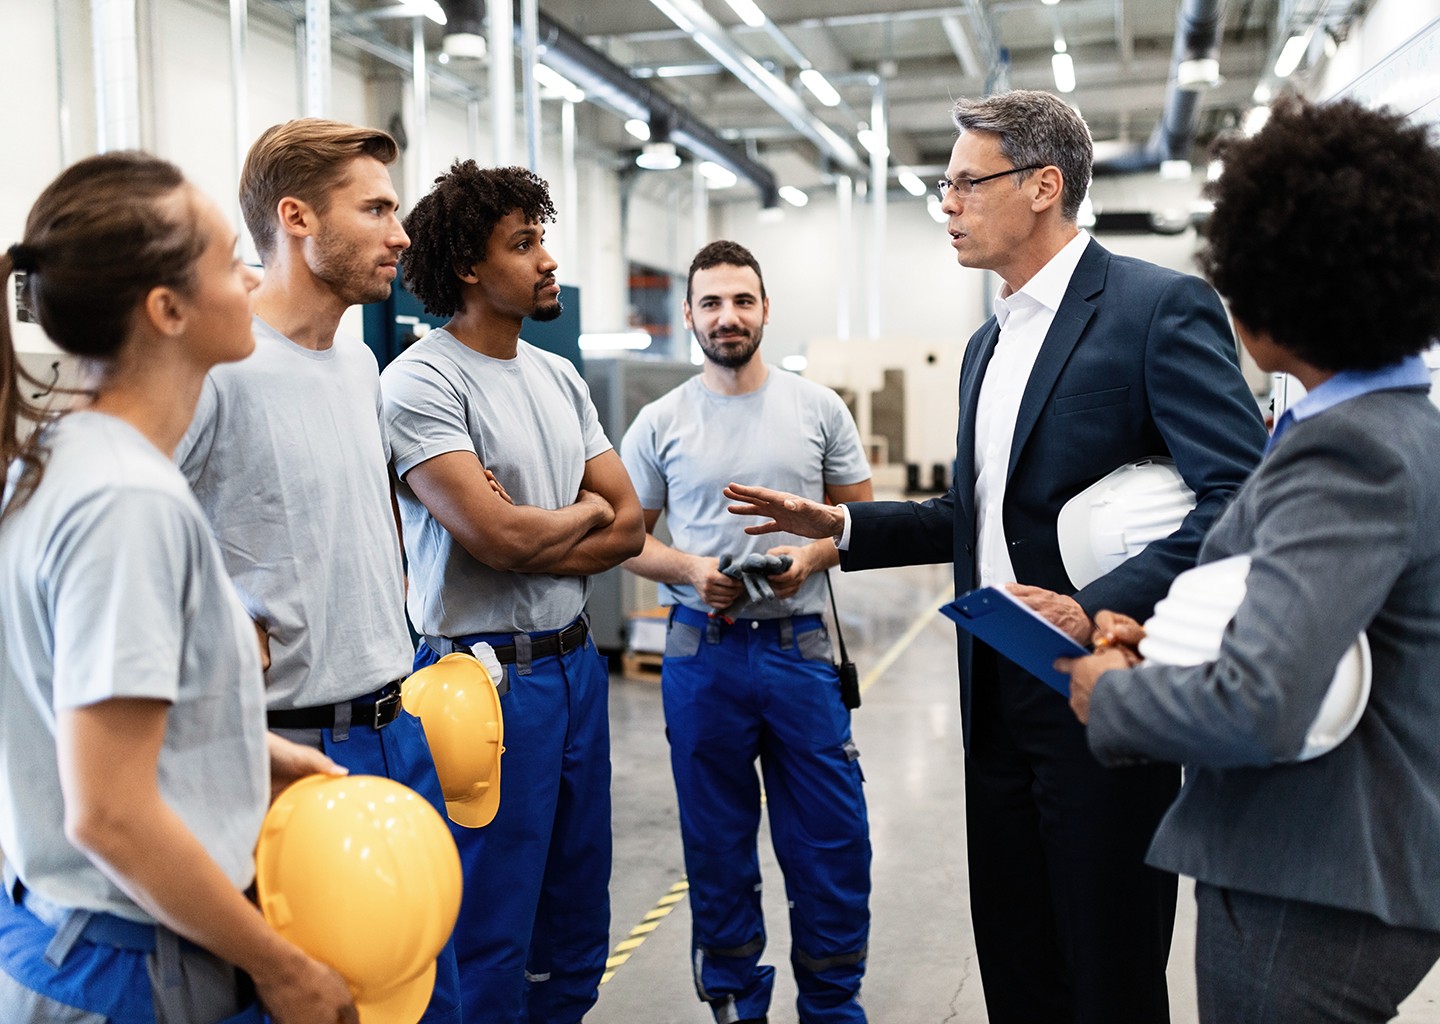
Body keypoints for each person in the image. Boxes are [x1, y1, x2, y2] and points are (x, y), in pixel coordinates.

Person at [724, 88, 1267, 1024]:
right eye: (946, 187)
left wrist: (1099, 601)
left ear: (1045, 185)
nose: (947, 205)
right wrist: (841, 529)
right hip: (993, 686)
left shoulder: (1153, 308)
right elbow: (972, 513)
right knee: (1016, 955)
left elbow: (1243, 500)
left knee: (1107, 962)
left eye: (966, 184)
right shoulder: (985, 344)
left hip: (1103, 678)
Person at [1058, 97, 1440, 1024]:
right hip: (1341, 869)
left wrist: (1112, 694)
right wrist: (1165, 638)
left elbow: (1262, 703)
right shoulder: (1396, 429)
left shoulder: (1351, 451)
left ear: (1277, 283)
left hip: (1310, 880)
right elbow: (1320, 626)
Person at [0, 152, 355, 1023]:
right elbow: (110, 815)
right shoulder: (128, 502)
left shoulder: (58, 460)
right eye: (228, 259)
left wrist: (246, 748)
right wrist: (282, 967)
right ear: (167, 310)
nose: (247, 278)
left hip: (71, 936)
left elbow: (70, 706)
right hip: (130, 962)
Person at [175, 120, 461, 1023]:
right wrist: (224, 626)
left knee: (422, 995)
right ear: (296, 218)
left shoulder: (359, 358)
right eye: (376, 209)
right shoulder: (217, 370)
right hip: (286, 753)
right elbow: (142, 545)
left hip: (395, 727)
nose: (401, 233)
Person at [380, 160, 644, 1024]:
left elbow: (631, 525)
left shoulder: (559, 379)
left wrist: (544, 524)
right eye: (523, 243)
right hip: (477, 685)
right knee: (489, 931)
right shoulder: (423, 381)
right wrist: (576, 512)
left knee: (575, 921)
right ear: (466, 265)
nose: (546, 260)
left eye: (543, 240)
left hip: (573, 674)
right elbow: (494, 540)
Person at [619, 240, 873, 1024]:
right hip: (705, 649)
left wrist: (810, 554)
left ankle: (832, 1007)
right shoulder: (660, 422)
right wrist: (693, 571)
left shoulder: (819, 408)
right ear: (690, 317)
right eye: (712, 303)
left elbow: (860, 523)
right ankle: (736, 1006)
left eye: (742, 301)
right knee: (718, 849)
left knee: (830, 845)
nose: (727, 316)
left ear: (764, 309)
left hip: (801, 650)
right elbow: (626, 538)